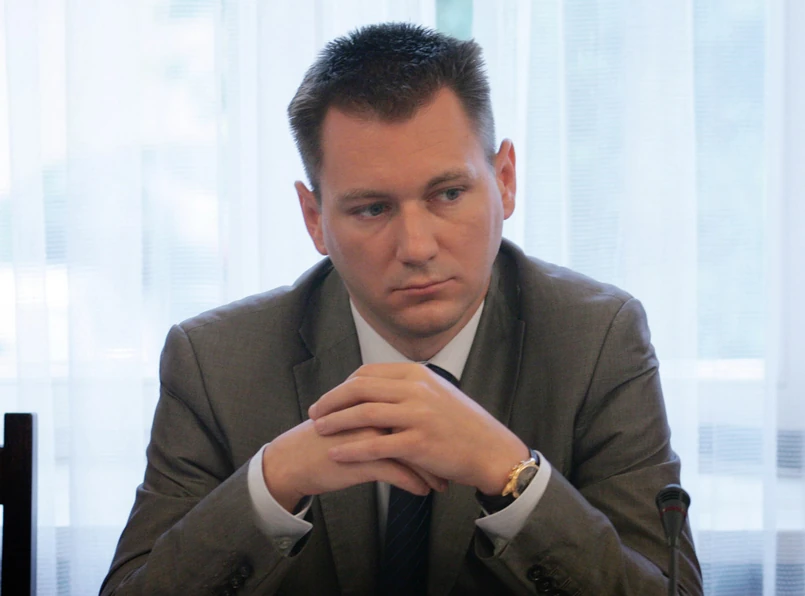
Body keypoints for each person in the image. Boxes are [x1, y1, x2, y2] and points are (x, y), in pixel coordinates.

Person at [101, 23, 703, 595]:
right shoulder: (214, 362)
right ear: (314, 219)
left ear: (505, 180)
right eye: (372, 209)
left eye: (448, 194)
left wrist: (512, 474)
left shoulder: (596, 339)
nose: (416, 247)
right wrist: (272, 483)